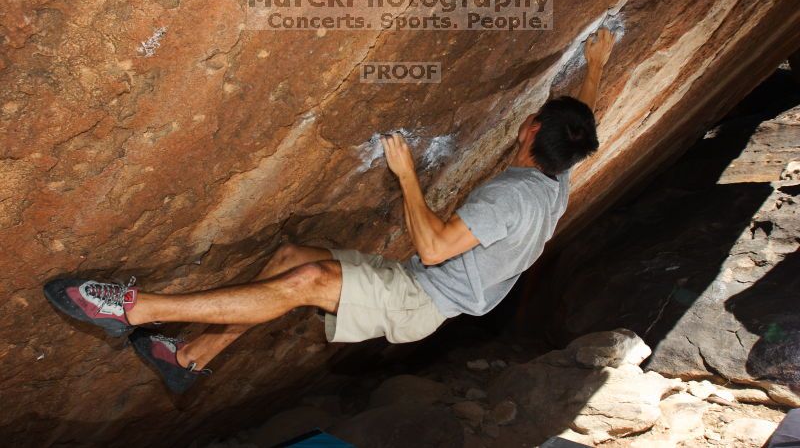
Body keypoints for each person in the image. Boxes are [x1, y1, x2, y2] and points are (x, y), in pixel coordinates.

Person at [43, 28, 615, 393]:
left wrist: (408, 176)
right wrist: (596, 65)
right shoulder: (552, 181)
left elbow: (436, 245)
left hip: (423, 298)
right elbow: (578, 122)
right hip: (421, 283)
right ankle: (188, 357)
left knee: (307, 279)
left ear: (531, 129)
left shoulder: (510, 196)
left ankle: (133, 310)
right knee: (293, 256)